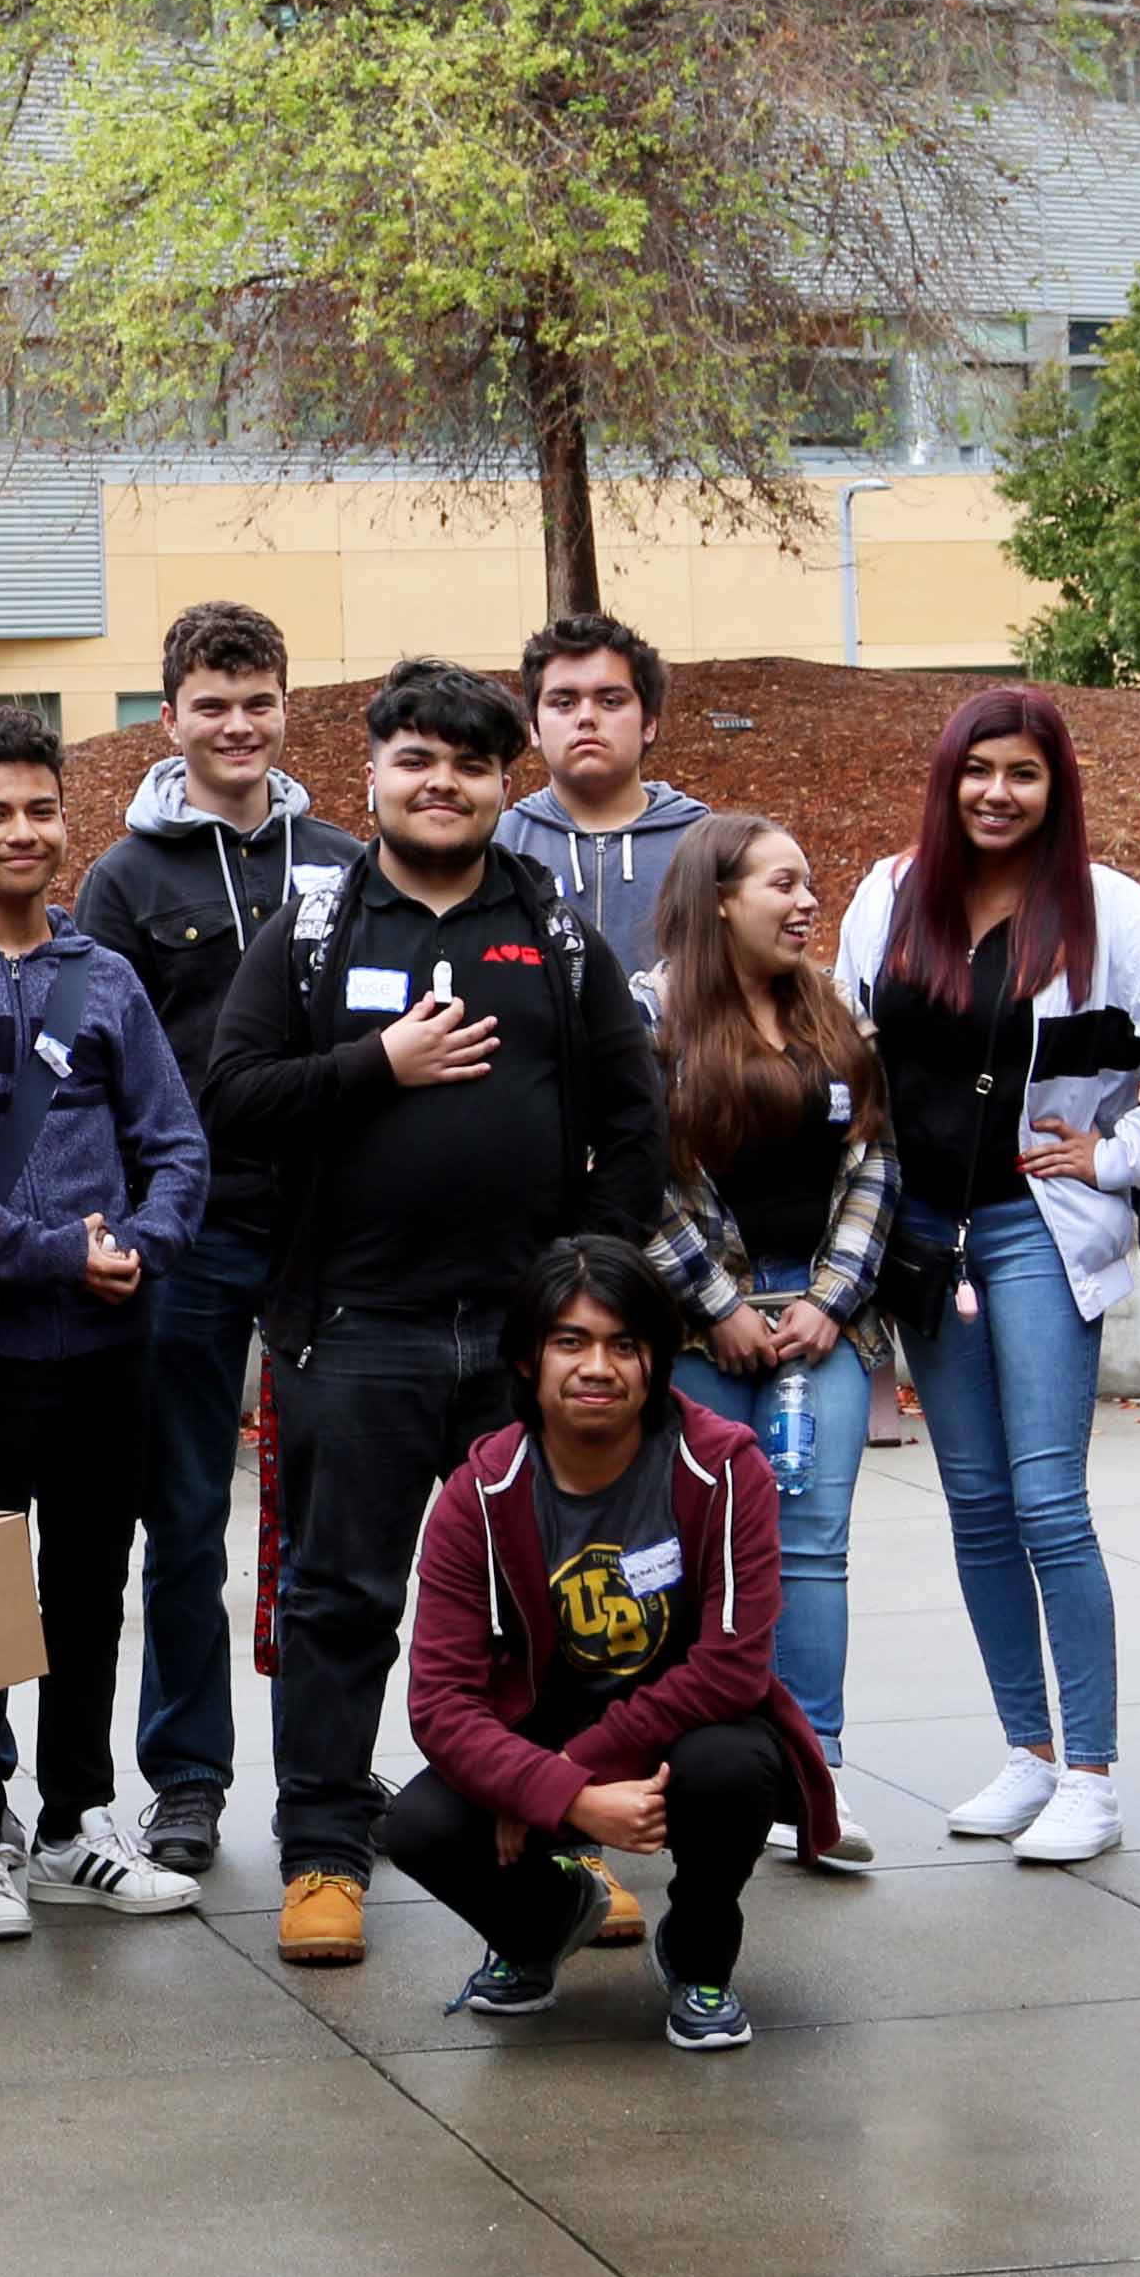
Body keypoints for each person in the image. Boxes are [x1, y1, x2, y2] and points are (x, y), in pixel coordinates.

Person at [201, 658, 667, 1968]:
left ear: (499, 784)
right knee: (341, 1601)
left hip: (520, 1343)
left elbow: (634, 1119)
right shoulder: (311, 927)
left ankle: (556, 1836)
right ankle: (324, 1856)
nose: (441, 782)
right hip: (355, 1330)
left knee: (546, 1604)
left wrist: (589, 1286)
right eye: (416, 759)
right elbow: (233, 1097)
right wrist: (376, 1067)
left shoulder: (557, 932)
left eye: (468, 764)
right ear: (376, 775)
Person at [830, 688, 1140, 1867]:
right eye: (978, 770)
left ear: (1058, 788)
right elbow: (846, 1049)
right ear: (948, 781)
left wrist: (1119, 1152)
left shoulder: (1111, 913)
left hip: (1037, 1224)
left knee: (1047, 1499)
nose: (998, 792)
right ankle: (1027, 1753)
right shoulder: (890, 897)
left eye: (1024, 774)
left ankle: (1090, 1773)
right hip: (921, 1232)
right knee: (979, 1505)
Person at [0, 710, 212, 1920]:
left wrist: (140, 1243)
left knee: (89, 1585)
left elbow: (175, 1145)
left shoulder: (108, 979)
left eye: (39, 810)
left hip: (110, 1348)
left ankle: (78, 1816)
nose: (22, 833)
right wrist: (51, 1256)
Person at [386, 1238, 840, 2046]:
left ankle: (699, 1960)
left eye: (623, 1345)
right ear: (528, 1359)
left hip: (688, 1734)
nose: (598, 1367)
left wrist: (570, 1775)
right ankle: (539, 1927)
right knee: (418, 1823)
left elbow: (733, 1670)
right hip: (547, 1734)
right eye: (572, 1342)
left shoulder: (724, 1466)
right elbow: (441, 1706)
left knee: (733, 1767)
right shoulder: (478, 1493)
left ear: (657, 1361)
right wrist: (558, 1790)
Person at [73, 600, 358, 1875]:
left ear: (286, 706)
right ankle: (186, 1779)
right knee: (182, 1523)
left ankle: (334, 1774)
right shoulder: (125, 880)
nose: (237, 725)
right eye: (211, 703)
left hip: (330, 1238)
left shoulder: (346, 860)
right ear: (170, 714)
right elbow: (103, 1069)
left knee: (336, 1527)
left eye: (259, 701)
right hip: (187, 1243)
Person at [638, 812, 890, 1864]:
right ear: (720, 899)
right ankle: (680, 1773)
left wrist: (829, 1301)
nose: (805, 904)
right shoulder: (648, 1015)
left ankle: (811, 1779)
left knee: (813, 1553)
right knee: (684, 1563)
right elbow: (637, 1179)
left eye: (810, 883)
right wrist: (719, 1309)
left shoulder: (836, 1008)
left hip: (820, 1329)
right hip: (700, 1332)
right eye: (782, 885)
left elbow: (877, 1157)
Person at [491, 613, 714, 973]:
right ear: (533, 727)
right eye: (564, 702)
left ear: (649, 724)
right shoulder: (498, 847)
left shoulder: (705, 845)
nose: (586, 717)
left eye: (610, 701)